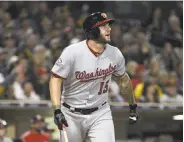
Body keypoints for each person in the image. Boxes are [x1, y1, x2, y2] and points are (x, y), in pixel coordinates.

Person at [49, 12, 139, 142]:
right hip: (71, 114)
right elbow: (55, 79)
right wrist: (57, 110)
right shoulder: (72, 52)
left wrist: (132, 105)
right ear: (92, 31)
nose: (109, 28)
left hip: (100, 112)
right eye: (103, 26)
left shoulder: (115, 53)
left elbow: (123, 80)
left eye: (108, 25)